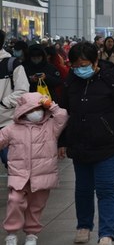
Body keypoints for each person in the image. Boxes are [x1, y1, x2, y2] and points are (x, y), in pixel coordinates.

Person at [58, 42, 114, 245]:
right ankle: (84, 226)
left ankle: (106, 232)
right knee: (83, 189)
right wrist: (62, 141)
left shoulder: (111, 82)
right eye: (75, 65)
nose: (80, 69)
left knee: (106, 189)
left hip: (105, 145)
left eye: (84, 64)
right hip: (79, 144)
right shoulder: (71, 82)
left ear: (96, 61)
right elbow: (62, 114)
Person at [0, 93, 67, 245]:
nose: (36, 113)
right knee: (15, 201)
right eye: (31, 109)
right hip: (19, 175)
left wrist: (51, 105)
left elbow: (62, 116)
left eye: (39, 109)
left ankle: (31, 233)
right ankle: (11, 232)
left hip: (42, 175)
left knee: (36, 206)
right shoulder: (11, 129)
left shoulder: (50, 127)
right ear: (23, 111)